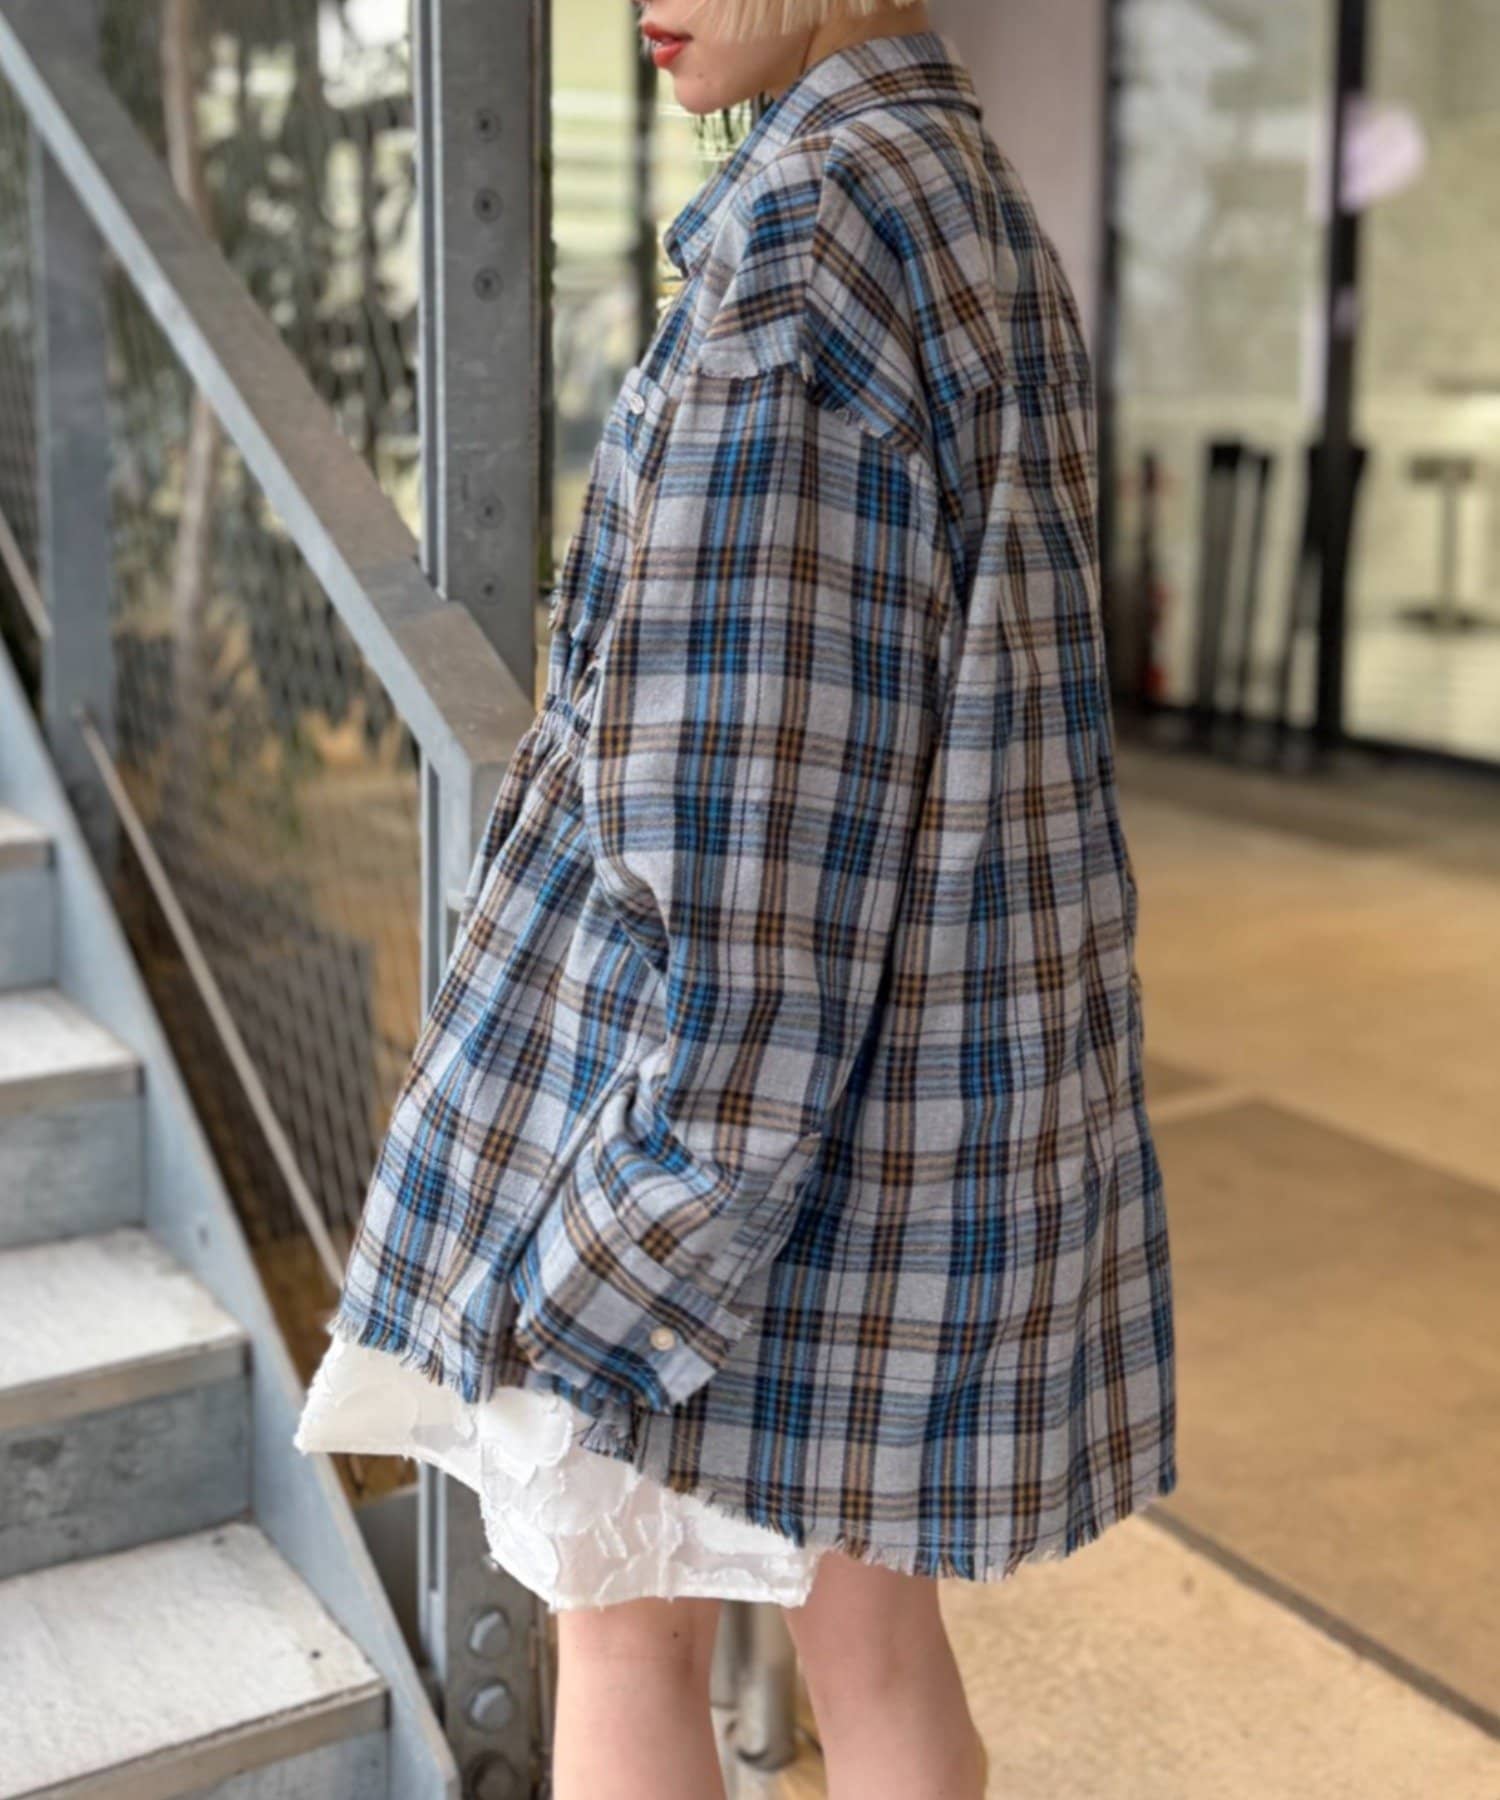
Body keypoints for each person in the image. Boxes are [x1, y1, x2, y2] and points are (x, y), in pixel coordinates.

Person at [296, 3, 1178, 1795]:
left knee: (630, 1640)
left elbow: (743, 835)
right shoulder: (969, 197)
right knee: (879, 1649)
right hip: (913, 1114)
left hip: (727, 1138)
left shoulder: (809, 240)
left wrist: (623, 1238)